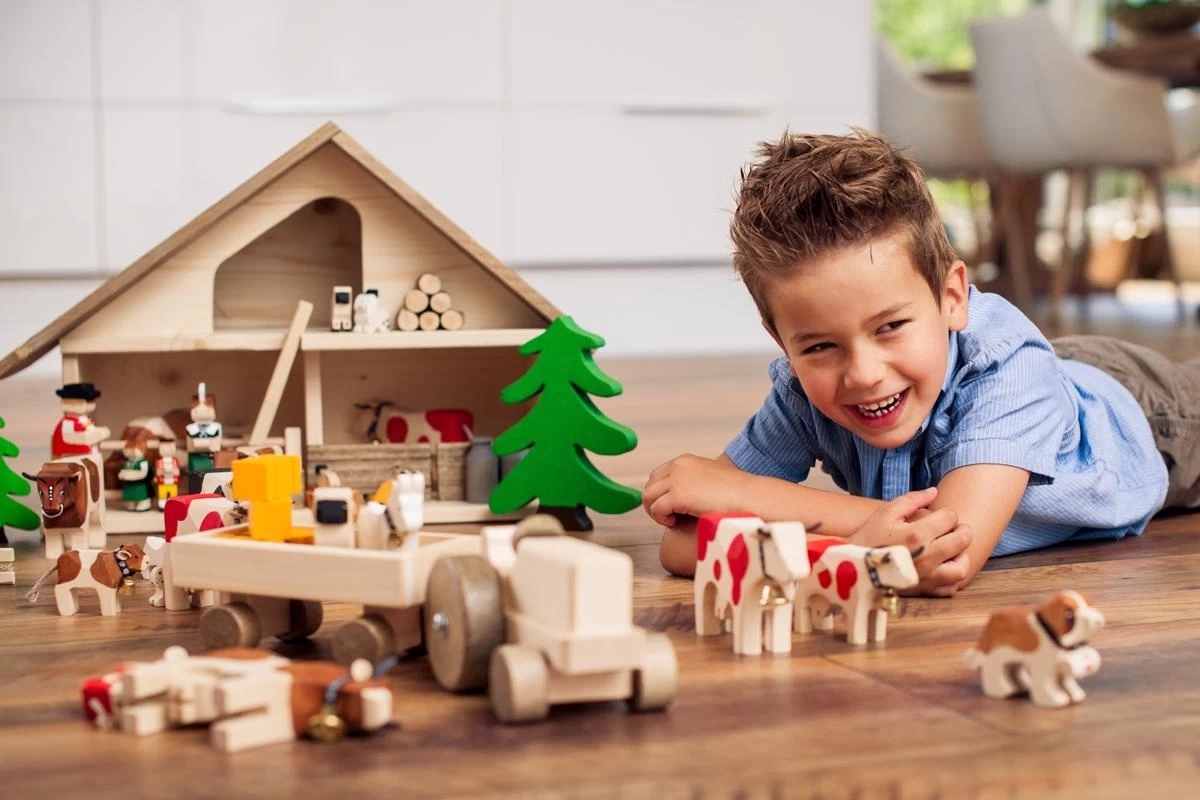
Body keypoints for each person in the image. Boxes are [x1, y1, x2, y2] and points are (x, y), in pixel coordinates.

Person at [645, 129, 1200, 596]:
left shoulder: (1009, 368)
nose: (862, 373)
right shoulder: (801, 392)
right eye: (819, 347)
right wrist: (855, 548)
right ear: (781, 341)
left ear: (952, 297)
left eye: (889, 327)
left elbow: (948, 548)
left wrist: (751, 498)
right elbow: (683, 544)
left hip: (1152, 417)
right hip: (1003, 376)